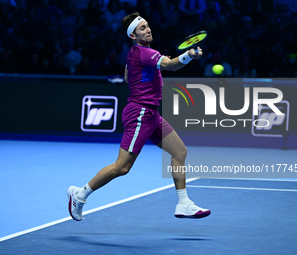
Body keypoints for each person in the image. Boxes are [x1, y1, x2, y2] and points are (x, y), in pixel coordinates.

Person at [67, 12, 211, 221]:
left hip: (151, 114)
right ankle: (80, 195)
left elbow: (128, 77)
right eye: (142, 28)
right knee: (122, 167)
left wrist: (155, 69)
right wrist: (190, 55)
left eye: (148, 26)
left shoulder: (136, 54)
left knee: (179, 151)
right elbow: (171, 65)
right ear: (133, 35)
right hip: (140, 114)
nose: (148, 29)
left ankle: (184, 203)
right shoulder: (145, 53)